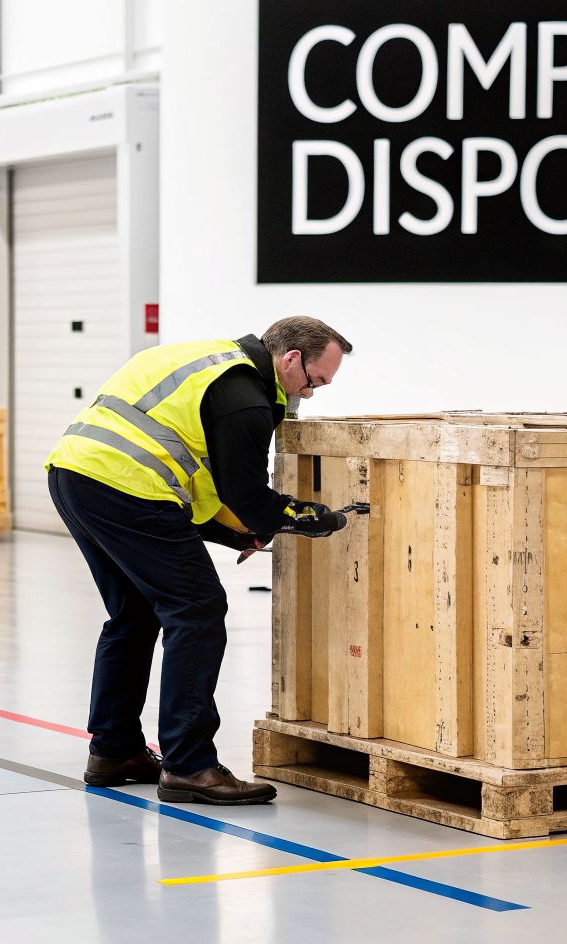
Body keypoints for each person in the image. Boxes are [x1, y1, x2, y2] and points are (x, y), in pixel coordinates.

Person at [47, 316, 353, 805]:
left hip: (77, 476)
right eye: (314, 381)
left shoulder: (206, 364)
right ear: (291, 359)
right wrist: (311, 518)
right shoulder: (247, 399)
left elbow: (197, 482)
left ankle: (115, 750)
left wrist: (235, 535)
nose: (311, 395)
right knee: (197, 609)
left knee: (135, 613)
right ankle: (190, 766)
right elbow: (248, 496)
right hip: (127, 488)